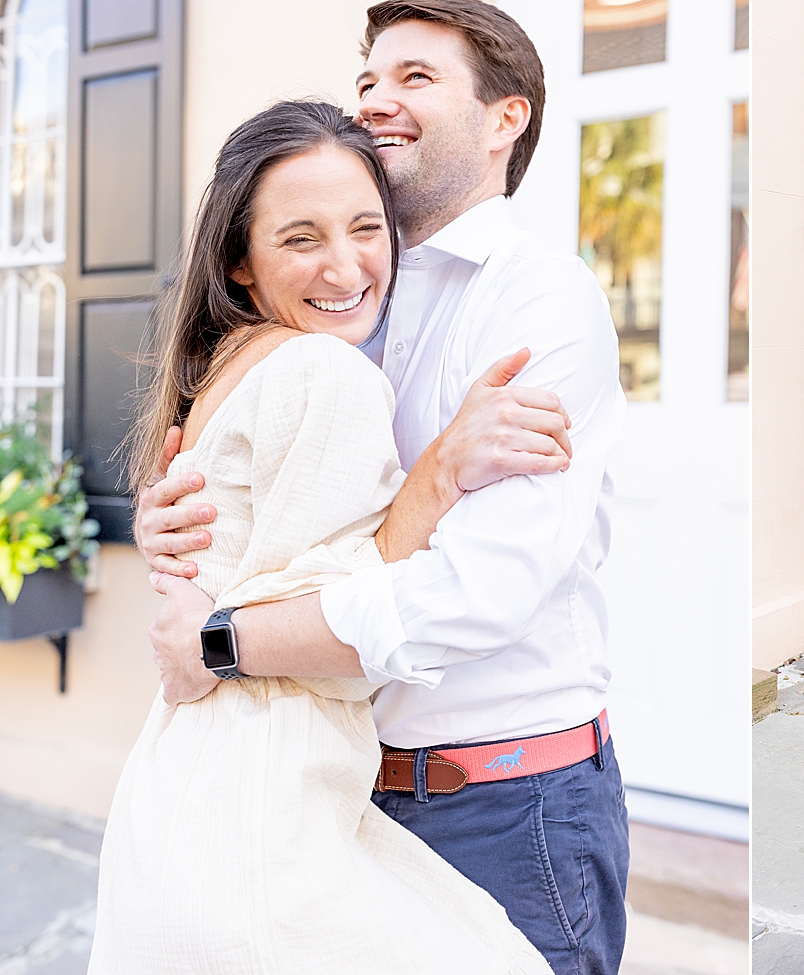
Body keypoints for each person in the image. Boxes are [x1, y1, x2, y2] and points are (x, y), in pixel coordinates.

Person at [135, 0, 631, 975]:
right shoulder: (349, 298)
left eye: (415, 78)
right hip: (334, 793)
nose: (376, 101)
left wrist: (222, 639)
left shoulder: (537, 297)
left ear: (505, 119)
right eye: (367, 81)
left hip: (500, 808)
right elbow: (276, 520)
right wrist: (181, 535)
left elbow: (473, 592)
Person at [91, 101, 553, 973]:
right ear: (240, 259)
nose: (346, 266)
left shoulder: (229, 363)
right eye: (302, 238)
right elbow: (352, 619)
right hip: (265, 821)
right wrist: (443, 467)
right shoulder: (323, 370)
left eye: (367, 228)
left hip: (185, 799)